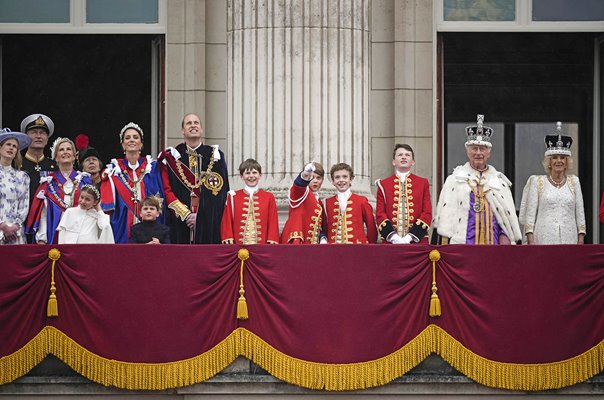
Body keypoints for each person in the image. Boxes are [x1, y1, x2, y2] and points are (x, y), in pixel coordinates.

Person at [431, 114, 521, 245]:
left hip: (494, 247)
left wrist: (505, 236)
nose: (478, 152)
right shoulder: (454, 180)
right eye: (474, 148)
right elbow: (444, 219)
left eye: (482, 149)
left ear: (488, 153)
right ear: (468, 152)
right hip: (463, 246)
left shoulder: (500, 182)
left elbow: (507, 218)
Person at [158, 113, 229, 244]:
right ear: (182, 131)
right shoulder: (171, 157)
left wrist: (201, 216)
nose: (193, 126)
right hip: (179, 223)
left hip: (209, 224)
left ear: (201, 129)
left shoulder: (216, 156)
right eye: (188, 123)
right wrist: (186, 215)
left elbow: (221, 193)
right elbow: (166, 191)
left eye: (196, 123)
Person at [519, 122, 586, 244]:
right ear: (549, 162)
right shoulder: (537, 182)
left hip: (569, 239)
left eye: (562, 157)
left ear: (567, 162)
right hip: (543, 239)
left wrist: (580, 240)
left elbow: (580, 214)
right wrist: (531, 242)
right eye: (555, 157)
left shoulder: (574, 182)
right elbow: (530, 217)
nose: (559, 161)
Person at [100, 122, 165, 243]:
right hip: (123, 224)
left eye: (136, 137)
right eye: (127, 137)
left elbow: (160, 196)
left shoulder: (152, 167)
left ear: (141, 144)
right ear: (123, 145)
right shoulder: (114, 170)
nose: (131, 140)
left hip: (149, 223)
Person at [26, 137, 93, 244]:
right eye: (61, 150)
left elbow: (91, 212)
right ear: (56, 157)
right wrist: (42, 239)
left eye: (69, 149)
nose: (65, 152)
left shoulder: (85, 181)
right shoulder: (48, 183)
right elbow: (43, 215)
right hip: (55, 236)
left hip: (81, 237)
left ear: (74, 156)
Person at [375, 144, 432, 244]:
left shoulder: (423, 183)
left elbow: (427, 212)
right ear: (393, 162)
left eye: (407, 155)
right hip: (390, 242)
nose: (404, 157)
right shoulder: (383, 185)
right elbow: (380, 214)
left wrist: (410, 237)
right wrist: (393, 237)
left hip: (417, 242)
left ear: (413, 162)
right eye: (400, 155)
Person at [221, 158, 279, 244]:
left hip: (262, 246)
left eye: (254, 173)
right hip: (238, 247)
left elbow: (273, 221)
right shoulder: (233, 197)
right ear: (242, 176)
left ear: (260, 175)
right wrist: (228, 238)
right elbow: (227, 220)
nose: (251, 176)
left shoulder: (269, 197)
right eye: (247, 173)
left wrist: (272, 239)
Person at [323, 163, 378, 244]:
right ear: (333, 181)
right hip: (333, 250)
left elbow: (371, 227)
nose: (341, 180)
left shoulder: (361, 201)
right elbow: (325, 228)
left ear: (351, 179)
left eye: (345, 177)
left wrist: (369, 246)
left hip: (357, 249)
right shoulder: (327, 203)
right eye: (337, 177)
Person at [280, 161, 327, 244]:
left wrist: (322, 237)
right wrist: (305, 175)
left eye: (318, 178)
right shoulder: (301, 192)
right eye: (312, 178)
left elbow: (319, 227)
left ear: (322, 180)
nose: (315, 181)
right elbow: (298, 186)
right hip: (296, 243)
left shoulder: (320, 202)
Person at [0, 129, 31, 245]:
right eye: (8, 144)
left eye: (14, 146)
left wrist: (15, 226)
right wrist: (3, 226)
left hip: (16, 233)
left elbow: (24, 204)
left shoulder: (23, 176)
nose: (11, 148)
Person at [20, 113, 57, 205]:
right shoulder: (16, 164)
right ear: (26, 137)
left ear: (47, 139)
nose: (39, 136)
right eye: (34, 132)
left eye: (42, 133)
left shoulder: (54, 166)